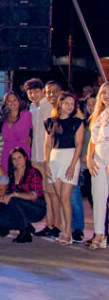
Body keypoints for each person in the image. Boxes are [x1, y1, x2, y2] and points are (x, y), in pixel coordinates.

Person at [0, 147, 47, 243]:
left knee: (14, 199)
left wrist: (14, 194)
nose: (17, 161)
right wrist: (3, 198)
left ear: (25, 158)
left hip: (35, 208)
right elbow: (7, 193)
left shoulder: (33, 172)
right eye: (14, 159)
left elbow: (34, 195)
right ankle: (25, 225)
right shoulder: (11, 175)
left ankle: (24, 232)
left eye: (19, 158)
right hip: (16, 207)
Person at [43, 92, 85, 245]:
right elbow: (47, 145)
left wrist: (73, 165)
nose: (70, 106)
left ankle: (69, 233)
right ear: (60, 104)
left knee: (66, 198)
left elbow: (79, 145)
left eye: (72, 104)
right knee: (60, 198)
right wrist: (46, 163)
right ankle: (63, 231)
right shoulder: (49, 122)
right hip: (54, 159)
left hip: (69, 158)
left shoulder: (77, 122)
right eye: (67, 103)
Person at [24, 78, 57, 236]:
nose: (33, 94)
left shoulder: (49, 106)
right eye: (30, 92)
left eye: (36, 91)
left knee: (52, 192)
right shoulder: (32, 107)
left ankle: (53, 225)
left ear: (42, 91)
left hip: (48, 156)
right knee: (44, 192)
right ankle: (48, 224)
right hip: (35, 155)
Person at [86, 83, 109, 250]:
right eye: (103, 93)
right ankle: (99, 234)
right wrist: (89, 157)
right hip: (98, 160)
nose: (106, 96)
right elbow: (93, 140)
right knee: (98, 197)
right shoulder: (99, 114)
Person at [0, 91, 31, 174]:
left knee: (23, 178)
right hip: (6, 153)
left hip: (22, 152)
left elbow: (37, 130)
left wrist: (31, 139)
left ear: (18, 101)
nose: (12, 103)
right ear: (6, 103)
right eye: (9, 101)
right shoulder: (4, 118)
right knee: (7, 180)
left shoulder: (26, 115)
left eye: (14, 100)